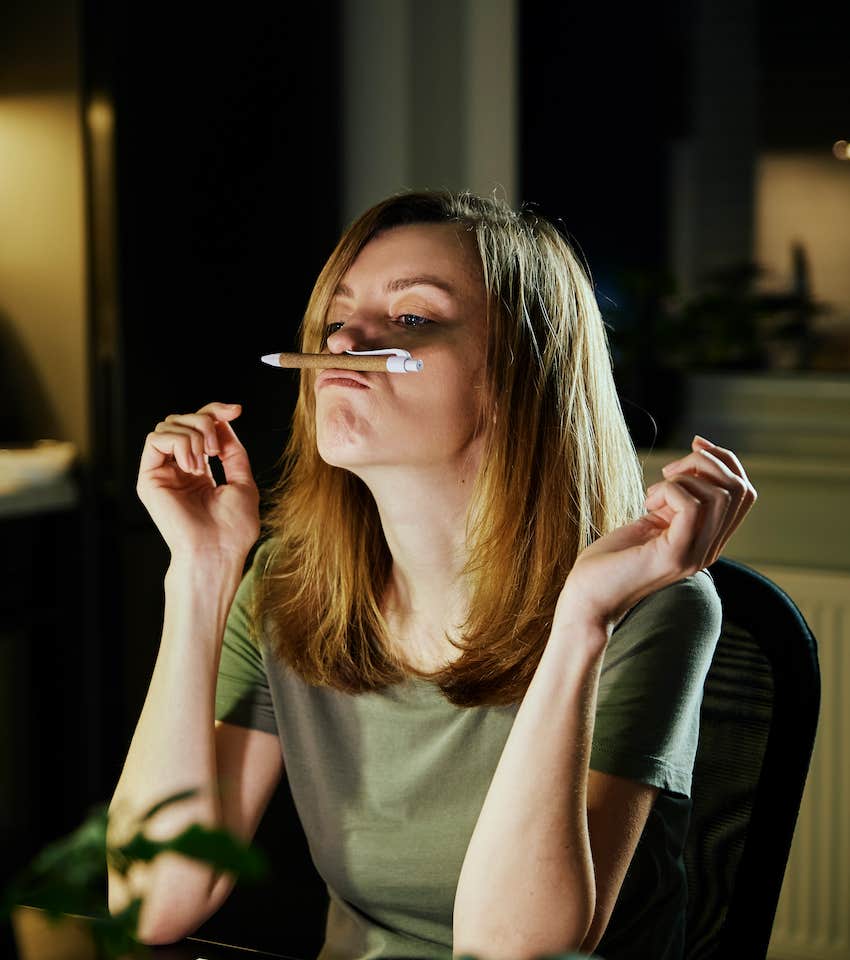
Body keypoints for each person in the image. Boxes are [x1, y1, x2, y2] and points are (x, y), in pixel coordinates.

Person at [106, 190, 757, 960]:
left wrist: (581, 622)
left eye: (412, 318)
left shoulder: (651, 610)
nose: (347, 339)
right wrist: (202, 573)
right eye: (335, 318)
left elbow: (509, 949)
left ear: (519, 375)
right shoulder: (288, 588)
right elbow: (147, 903)